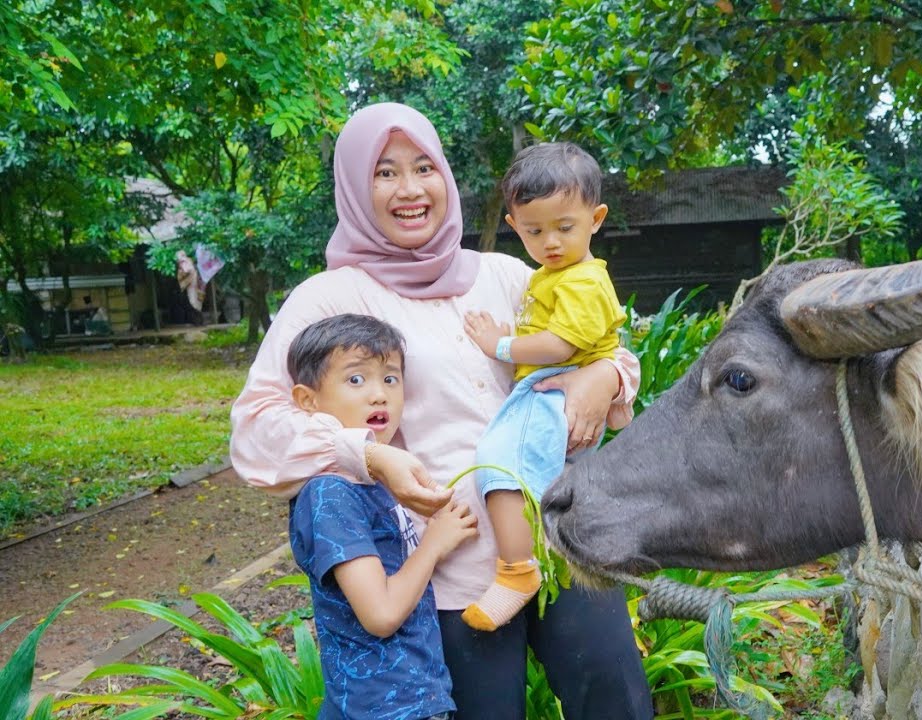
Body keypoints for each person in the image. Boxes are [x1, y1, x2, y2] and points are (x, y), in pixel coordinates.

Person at [230, 102, 653, 719]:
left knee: (617, 706)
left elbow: (605, 347)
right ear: (353, 186)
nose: (409, 189)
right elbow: (256, 431)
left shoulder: (510, 275)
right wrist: (372, 457)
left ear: (446, 179)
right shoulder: (328, 298)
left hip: (564, 539)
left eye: (423, 167)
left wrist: (604, 377)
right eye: (384, 172)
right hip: (452, 570)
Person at [460, 142, 624, 631]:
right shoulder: (553, 275)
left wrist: (501, 345)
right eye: (534, 231)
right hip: (558, 390)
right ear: (514, 226)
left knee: (497, 463)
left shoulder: (582, 281)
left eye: (564, 227)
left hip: (552, 389)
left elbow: (558, 346)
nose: (550, 241)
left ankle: (516, 571)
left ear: (595, 218)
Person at [285, 313, 477, 720]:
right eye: (356, 380)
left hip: (407, 698)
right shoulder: (330, 494)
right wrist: (433, 546)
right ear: (308, 401)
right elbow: (381, 614)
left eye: (390, 379)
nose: (379, 394)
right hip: (381, 706)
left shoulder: (371, 485)